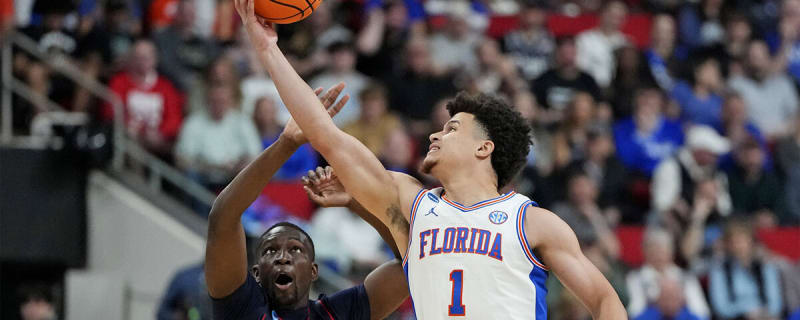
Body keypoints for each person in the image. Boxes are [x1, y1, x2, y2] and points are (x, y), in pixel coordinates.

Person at [233, 0, 628, 318]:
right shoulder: (413, 203)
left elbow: (605, 302)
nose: (436, 133)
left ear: (484, 148)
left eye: (453, 129)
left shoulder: (531, 221)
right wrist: (268, 48)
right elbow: (327, 136)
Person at [205, 85, 409, 319]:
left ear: (313, 271)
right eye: (270, 251)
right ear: (256, 272)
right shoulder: (241, 305)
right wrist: (287, 143)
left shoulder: (336, 314)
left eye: (295, 249)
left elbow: (412, 261)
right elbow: (222, 217)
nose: (283, 257)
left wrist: (355, 203)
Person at [104, 39, 184, 158]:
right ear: (131, 59)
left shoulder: (166, 87)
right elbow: (109, 110)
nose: (142, 62)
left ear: (155, 60)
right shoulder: (119, 82)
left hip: (158, 141)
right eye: (138, 57)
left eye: (146, 58)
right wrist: (134, 129)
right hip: (126, 136)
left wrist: (161, 133)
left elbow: (174, 118)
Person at [174, 83, 261, 189]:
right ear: (208, 101)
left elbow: (255, 154)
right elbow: (181, 159)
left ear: (231, 102)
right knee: (191, 177)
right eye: (215, 101)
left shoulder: (242, 121)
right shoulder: (193, 122)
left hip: (234, 175)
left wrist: (239, 166)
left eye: (223, 101)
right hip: (203, 175)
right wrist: (209, 167)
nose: (219, 105)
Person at [626, 228, 710, 319]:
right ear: (644, 252)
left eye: (662, 250)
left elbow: (701, 312)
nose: (658, 255)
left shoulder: (686, 278)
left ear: (671, 252)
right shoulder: (635, 279)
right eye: (654, 250)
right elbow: (634, 312)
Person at [708, 219, 783, 319]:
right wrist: (747, 311)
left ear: (751, 242)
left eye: (743, 240)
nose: (739, 246)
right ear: (728, 244)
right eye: (734, 241)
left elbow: (775, 304)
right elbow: (721, 307)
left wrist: (760, 313)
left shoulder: (765, 266)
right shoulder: (720, 269)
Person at [728, 40, 799, 140]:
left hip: (784, 139)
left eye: (760, 56)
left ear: (769, 58)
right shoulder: (736, 85)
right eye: (752, 57)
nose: (756, 62)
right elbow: (734, 120)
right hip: (751, 143)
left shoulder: (783, 83)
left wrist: (783, 133)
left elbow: (796, 116)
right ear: (746, 60)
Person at [575, 0, 630, 89]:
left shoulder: (626, 43)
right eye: (612, 16)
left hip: (619, 92)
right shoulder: (585, 40)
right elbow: (581, 69)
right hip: (590, 88)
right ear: (602, 14)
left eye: (619, 17)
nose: (615, 21)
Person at [502, 0, 555, 81]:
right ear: (522, 15)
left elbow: (552, 61)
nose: (531, 16)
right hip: (517, 78)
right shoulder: (511, 37)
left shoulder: (548, 37)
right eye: (529, 12)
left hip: (543, 79)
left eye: (535, 13)